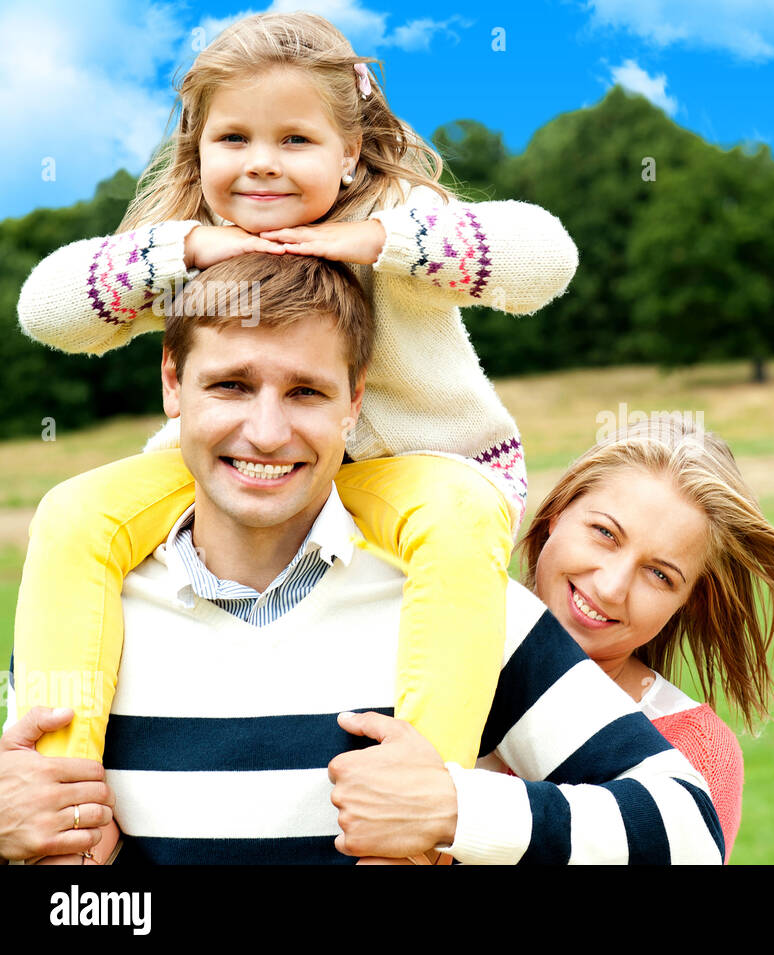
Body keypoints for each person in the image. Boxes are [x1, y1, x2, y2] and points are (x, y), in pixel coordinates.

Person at [1, 251, 723, 865]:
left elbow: (692, 829)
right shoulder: (88, 619)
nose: (266, 429)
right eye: (230, 384)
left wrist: (457, 808)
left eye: (307, 392)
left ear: (354, 402)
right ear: (171, 382)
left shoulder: (462, 606)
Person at [12, 11, 578, 776]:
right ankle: (58, 783)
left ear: (348, 151)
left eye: (295, 140)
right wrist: (182, 249)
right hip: (235, 464)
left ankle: (425, 781)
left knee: (459, 515)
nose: (262, 165)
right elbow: (43, 308)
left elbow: (548, 258)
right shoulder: (191, 248)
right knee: (73, 513)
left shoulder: (393, 223)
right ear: (199, 147)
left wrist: (385, 245)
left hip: (412, 468)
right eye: (234, 139)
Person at [339, 417, 774, 863]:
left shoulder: (692, 750)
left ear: (689, 602)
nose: (612, 586)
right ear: (555, 514)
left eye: (659, 574)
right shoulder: (409, 638)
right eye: (605, 534)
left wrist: (454, 810)